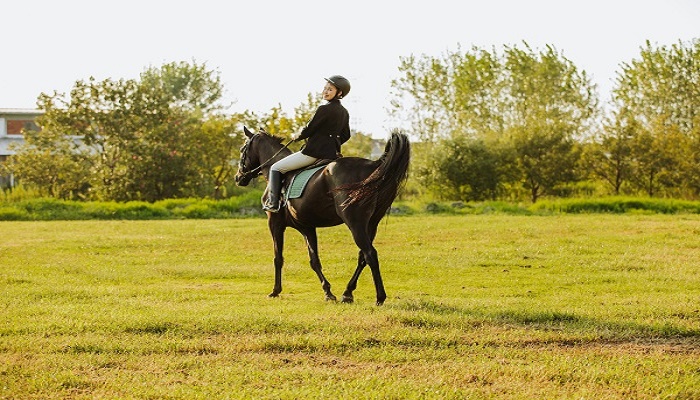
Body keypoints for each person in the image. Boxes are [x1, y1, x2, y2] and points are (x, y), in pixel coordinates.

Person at [263, 75, 352, 212]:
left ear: (339, 93)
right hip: (333, 154)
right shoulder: (344, 112)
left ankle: (273, 203)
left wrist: (296, 136)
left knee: (275, 168)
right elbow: (346, 135)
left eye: (330, 89)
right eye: (325, 88)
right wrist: (332, 143)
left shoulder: (324, 109)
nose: (326, 91)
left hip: (313, 153)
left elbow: (309, 129)